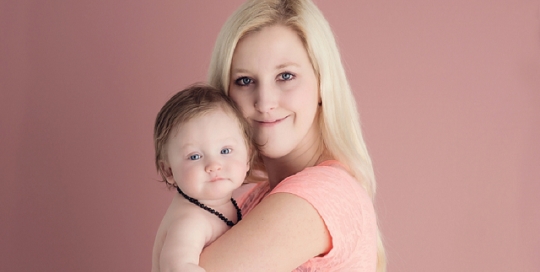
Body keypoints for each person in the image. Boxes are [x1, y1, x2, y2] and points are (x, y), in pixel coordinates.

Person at [166, 0, 387, 271]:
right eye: (245, 81)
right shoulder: (250, 201)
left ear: (322, 86)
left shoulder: (320, 195)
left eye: (285, 76)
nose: (265, 101)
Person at [151, 84, 256, 272]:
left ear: (247, 157)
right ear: (168, 171)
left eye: (225, 151)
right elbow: (176, 267)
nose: (213, 165)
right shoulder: (191, 221)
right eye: (194, 156)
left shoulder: (218, 207)